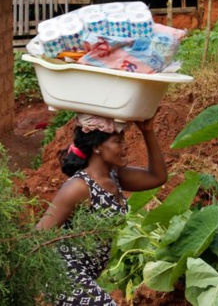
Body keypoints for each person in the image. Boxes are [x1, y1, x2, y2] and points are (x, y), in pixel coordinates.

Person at [36, 112, 167, 306]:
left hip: (86, 276)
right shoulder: (79, 187)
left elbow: (157, 177)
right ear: (97, 146)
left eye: (123, 140)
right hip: (66, 276)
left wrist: (147, 131)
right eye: (117, 141)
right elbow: (38, 235)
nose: (125, 147)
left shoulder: (114, 177)